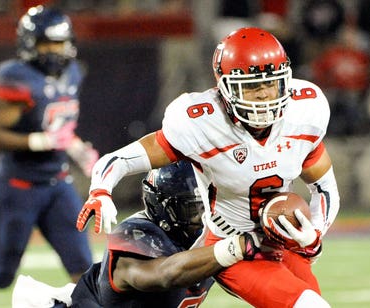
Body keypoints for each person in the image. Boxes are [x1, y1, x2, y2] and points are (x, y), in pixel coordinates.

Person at [77, 27, 340, 307]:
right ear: (224, 88)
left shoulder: (305, 111)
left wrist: (313, 234)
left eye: (270, 84)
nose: (263, 95)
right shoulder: (202, 123)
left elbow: (325, 189)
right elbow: (121, 159)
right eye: (251, 86)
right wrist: (101, 190)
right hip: (234, 244)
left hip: (279, 238)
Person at [0, 6, 98, 307]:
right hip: (18, 188)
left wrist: (74, 146)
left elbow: (59, 125)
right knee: (2, 274)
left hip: (57, 184)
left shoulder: (72, 72)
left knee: (85, 273)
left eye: (59, 43)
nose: (55, 51)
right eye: (47, 44)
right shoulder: (17, 77)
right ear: (29, 43)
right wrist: (39, 140)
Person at [11, 161, 270, 307]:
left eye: (208, 205)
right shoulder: (135, 235)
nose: (204, 217)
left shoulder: (212, 231)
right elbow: (167, 274)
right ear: (164, 206)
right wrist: (236, 247)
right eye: (194, 208)